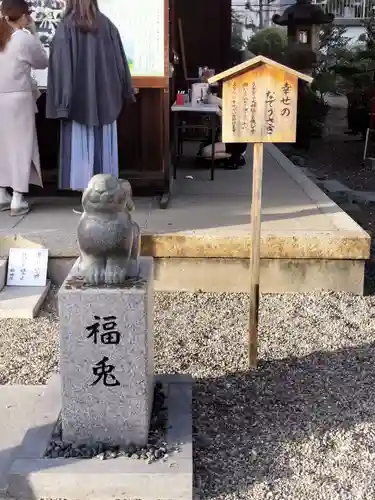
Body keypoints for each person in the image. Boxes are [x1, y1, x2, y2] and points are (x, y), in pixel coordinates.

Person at [46, 0, 135, 200]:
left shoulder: (65, 27)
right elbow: (121, 63)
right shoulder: (107, 25)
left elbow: (60, 69)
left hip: (76, 101)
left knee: (79, 149)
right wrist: (126, 91)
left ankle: (87, 198)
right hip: (106, 99)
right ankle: (106, 196)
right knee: (104, 150)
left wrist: (62, 104)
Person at [0, 0, 48, 216]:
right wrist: (34, 32)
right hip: (18, 99)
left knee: (2, 147)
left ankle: (1, 195)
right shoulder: (23, 38)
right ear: (24, 15)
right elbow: (42, 62)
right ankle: (17, 198)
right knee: (20, 147)